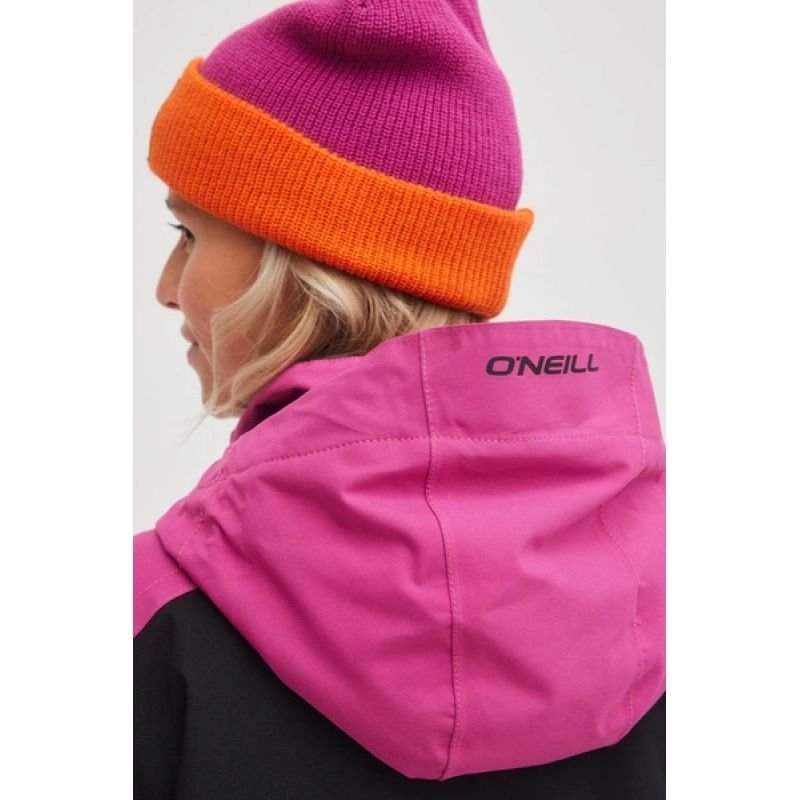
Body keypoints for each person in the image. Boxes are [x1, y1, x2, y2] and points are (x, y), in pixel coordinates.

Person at [133, 1, 666, 798]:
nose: (167, 288)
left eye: (188, 235)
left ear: (300, 264)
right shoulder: (665, 599)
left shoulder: (150, 617)